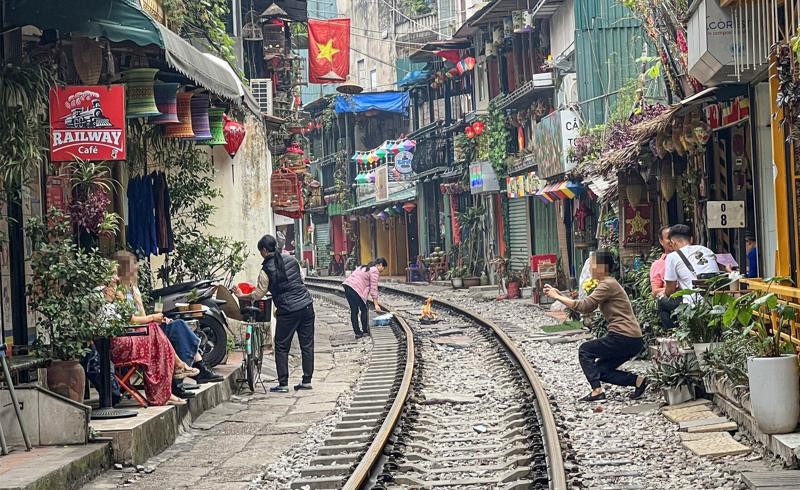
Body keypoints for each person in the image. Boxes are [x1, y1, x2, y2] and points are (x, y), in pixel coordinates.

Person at [544, 251, 647, 402]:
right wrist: (560, 295)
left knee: (585, 350)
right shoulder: (608, 284)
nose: (589, 269)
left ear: (601, 267)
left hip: (624, 337)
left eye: (592, 265)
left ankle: (596, 391)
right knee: (600, 370)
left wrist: (557, 297)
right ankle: (638, 381)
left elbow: (584, 306)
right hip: (631, 338)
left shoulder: (608, 284)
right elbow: (588, 305)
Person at [114, 251, 223, 384]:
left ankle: (188, 374)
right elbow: (130, 320)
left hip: (145, 328)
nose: (136, 269)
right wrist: (153, 318)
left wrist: (153, 316)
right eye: (133, 266)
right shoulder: (118, 292)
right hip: (134, 332)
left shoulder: (133, 290)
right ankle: (188, 374)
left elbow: (142, 316)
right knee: (177, 331)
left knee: (179, 325)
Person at [240, 234, 315, 393]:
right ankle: (307, 380)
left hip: (288, 311)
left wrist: (242, 296)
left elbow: (258, 295)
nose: (261, 254)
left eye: (261, 251)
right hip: (307, 306)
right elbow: (300, 279)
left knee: (281, 346)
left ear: (265, 250)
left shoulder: (265, 270)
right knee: (307, 345)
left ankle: (283, 384)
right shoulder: (292, 260)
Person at [103, 277, 191, 406]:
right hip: (115, 345)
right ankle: (175, 371)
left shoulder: (127, 292)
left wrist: (139, 301)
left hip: (126, 337)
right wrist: (152, 317)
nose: (117, 278)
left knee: (159, 334)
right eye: (114, 275)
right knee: (155, 340)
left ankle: (170, 382)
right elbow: (130, 319)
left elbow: (136, 317)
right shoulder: (107, 295)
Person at [658, 224, 720, 329]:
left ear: (672, 243)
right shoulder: (707, 250)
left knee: (661, 302)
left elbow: (670, 291)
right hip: (715, 301)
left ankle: (675, 334)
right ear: (691, 239)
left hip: (693, 303)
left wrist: (662, 293)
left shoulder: (672, 257)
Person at [342, 258, 388, 338]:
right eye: (383, 268)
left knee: (354, 310)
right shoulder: (374, 271)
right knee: (364, 309)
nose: (382, 270)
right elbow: (374, 288)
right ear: (380, 265)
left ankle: (357, 333)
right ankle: (365, 330)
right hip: (355, 289)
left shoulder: (362, 267)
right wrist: (376, 305)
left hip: (347, 286)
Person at [650, 226, 673, 298]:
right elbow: (655, 292)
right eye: (669, 238)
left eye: (675, 237)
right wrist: (676, 289)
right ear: (661, 241)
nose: (672, 241)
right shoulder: (657, 265)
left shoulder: (690, 257)